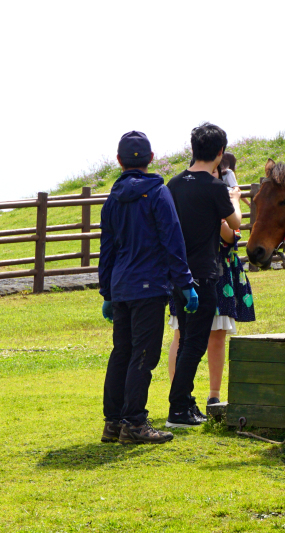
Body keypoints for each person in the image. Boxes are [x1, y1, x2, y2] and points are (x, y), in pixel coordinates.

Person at [99, 131, 198, 444]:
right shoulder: (157, 193)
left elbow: (107, 250)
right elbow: (173, 240)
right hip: (149, 286)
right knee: (143, 355)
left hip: (121, 286)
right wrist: (186, 284)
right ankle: (135, 423)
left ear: (119, 161)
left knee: (122, 352)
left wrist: (106, 292)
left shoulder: (112, 199)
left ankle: (113, 423)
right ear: (152, 159)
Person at [165, 123, 242, 428]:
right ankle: (178, 410)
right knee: (195, 345)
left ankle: (184, 403)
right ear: (220, 153)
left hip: (177, 275)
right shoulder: (215, 188)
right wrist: (234, 196)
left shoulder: (173, 184)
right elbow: (235, 223)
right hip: (204, 274)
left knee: (185, 341)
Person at [167, 165, 255, 406]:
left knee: (197, 337)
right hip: (210, 272)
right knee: (196, 338)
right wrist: (234, 199)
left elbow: (230, 234)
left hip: (199, 272)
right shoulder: (211, 196)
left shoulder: (185, 190)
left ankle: (199, 393)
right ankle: (193, 395)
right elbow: (230, 233)